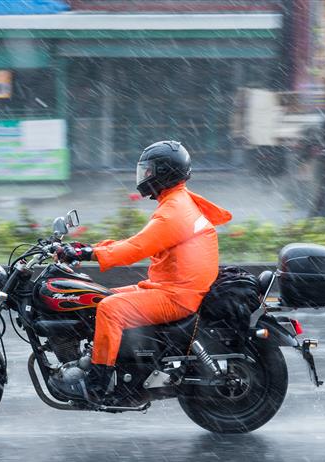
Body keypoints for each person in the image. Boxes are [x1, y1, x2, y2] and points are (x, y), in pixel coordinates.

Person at [49, 140, 232, 402]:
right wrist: (89, 248)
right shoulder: (176, 201)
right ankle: (105, 359)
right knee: (102, 297)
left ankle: (97, 382)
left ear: (165, 173)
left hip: (176, 294)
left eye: (149, 171)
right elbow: (138, 241)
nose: (143, 176)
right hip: (168, 286)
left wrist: (87, 253)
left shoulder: (174, 212)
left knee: (110, 309)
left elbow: (136, 248)